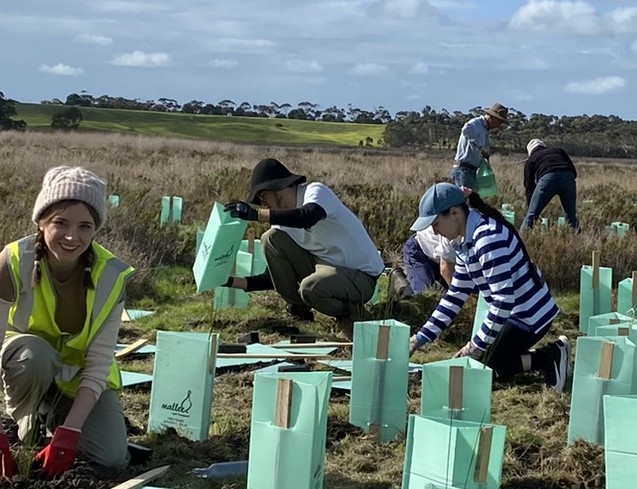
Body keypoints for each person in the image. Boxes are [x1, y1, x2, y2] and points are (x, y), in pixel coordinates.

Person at [0, 167, 132, 478]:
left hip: (79, 381)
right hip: (29, 368)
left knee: (111, 458)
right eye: (61, 223)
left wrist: (70, 433)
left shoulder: (112, 276)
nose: (73, 237)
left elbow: (99, 363)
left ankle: (57, 419)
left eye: (85, 226)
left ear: (96, 230)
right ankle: (26, 415)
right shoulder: (13, 260)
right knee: (35, 354)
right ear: (42, 222)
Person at [408, 183, 570, 387]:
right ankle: (538, 357)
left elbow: (503, 301)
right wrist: (419, 338)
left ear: (455, 213)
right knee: (481, 363)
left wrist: (475, 346)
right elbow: (455, 295)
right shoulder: (464, 242)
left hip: (529, 317)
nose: (435, 231)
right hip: (512, 314)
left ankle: (550, 355)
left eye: (436, 223)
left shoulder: (487, 239)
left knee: (482, 366)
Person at [223, 157, 384, 329]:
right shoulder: (281, 223)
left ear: (277, 188)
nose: (264, 205)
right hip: (325, 269)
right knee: (270, 238)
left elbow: (308, 217)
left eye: (263, 198)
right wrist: (229, 281)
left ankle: (352, 314)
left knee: (310, 289)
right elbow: (275, 277)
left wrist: (256, 215)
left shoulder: (315, 192)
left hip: (360, 278)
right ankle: (300, 310)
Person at [522, 138, 580, 230]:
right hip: (568, 178)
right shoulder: (558, 151)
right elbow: (573, 171)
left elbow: (529, 186)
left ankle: (522, 239)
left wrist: (531, 206)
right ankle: (576, 238)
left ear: (530, 151)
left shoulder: (531, 159)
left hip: (547, 179)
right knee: (571, 216)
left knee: (531, 216)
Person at [452, 103, 508, 191]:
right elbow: (466, 130)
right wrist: (481, 147)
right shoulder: (476, 123)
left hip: (471, 171)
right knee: (468, 201)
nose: (499, 125)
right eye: (499, 121)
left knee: (472, 200)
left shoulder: (485, 130)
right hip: (464, 169)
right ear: (491, 117)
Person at [403, 223, 458, 295]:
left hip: (441, 258)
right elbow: (445, 269)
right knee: (425, 296)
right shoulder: (451, 231)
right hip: (419, 252)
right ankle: (399, 283)